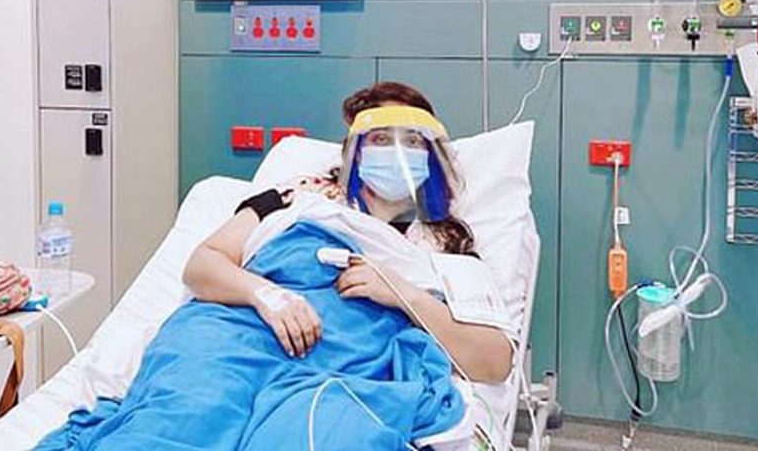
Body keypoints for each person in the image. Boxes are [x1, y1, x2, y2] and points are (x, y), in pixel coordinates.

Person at [183, 81, 513, 383]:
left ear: (429, 158)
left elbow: (494, 362)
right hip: (245, 340)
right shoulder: (300, 197)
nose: (397, 152)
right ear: (355, 152)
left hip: (342, 372)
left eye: (412, 140)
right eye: (381, 139)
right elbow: (203, 265)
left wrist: (404, 295)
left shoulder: (442, 243)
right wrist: (268, 296)